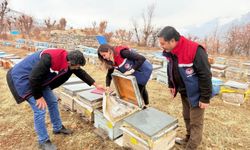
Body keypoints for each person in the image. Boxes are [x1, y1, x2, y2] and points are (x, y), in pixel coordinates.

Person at [6, 48, 103, 150]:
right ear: (70, 62)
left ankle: (57, 128)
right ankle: (43, 141)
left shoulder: (69, 59)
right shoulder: (48, 58)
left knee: (52, 101)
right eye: (76, 66)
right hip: (24, 79)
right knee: (40, 110)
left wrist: (95, 84)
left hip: (40, 80)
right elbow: (33, 78)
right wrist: (38, 97)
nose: (77, 68)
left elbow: (79, 72)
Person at [157, 26, 212, 150]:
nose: (161, 46)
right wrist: (171, 84)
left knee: (195, 122)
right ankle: (188, 137)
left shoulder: (195, 50)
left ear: (172, 41)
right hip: (185, 91)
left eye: (163, 43)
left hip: (197, 93)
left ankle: (192, 146)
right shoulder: (171, 51)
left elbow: (205, 74)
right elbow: (170, 67)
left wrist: (205, 98)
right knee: (186, 116)